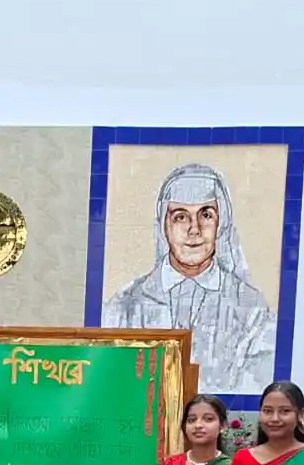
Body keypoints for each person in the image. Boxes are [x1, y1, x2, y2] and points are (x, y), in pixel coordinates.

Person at [100, 163, 276, 393]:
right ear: (164, 225)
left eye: (206, 215)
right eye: (181, 217)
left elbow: (256, 389)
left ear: (221, 224)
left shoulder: (252, 311)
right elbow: (109, 385)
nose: (195, 229)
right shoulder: (124, 307)